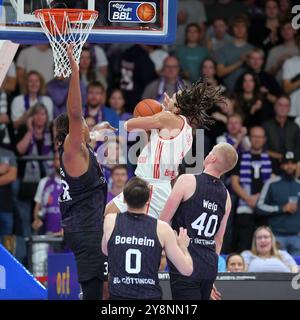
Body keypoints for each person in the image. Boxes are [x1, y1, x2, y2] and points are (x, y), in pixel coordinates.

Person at [106, 80, 223, 219]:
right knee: (111, 214)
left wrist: (156, 112)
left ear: (178, 108)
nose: (167, 99)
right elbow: (153, 144)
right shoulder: (188, 131)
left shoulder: (168, 118)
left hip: (151, 186)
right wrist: (160, 114)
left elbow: (129, 125)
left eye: (173, 98)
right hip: (156, 184)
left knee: (145, 231)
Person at [54, 45, 114, 300]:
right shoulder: (73, 148)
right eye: (83, 126)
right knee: (97, 293)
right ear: (73, 132)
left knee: (109, 289)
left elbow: (93, 132)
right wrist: (76, 70)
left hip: (88, 228)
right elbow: (76, 113)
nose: (87, 124)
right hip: (87, 231)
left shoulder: (82, 149)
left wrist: (100, 129)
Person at [160, 142, 238, 300]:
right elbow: (219, 238)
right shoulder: (226, 196)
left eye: (209, 151)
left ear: (212, 158)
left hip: (185, 258)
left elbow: (163, 221)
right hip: (209, 264)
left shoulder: (187, 180)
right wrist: (211, 275)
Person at [102, 177, 193, 300]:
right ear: (149, 199)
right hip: (149, 296)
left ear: (123, 199)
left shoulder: (111, 220)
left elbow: (105, 251)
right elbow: (187, 270)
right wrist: (183, 247)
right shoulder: (162, 229)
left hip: (119, 295)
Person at [231, 126, 272, 252]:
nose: (257, 140)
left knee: (263, 240)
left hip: (264, 205)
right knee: (244, 242)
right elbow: (234, 182)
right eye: (254, 136)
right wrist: (248, 198)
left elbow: (272, 183)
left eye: (260, 137)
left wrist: (258, 197)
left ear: (264, 139)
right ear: (249, 138)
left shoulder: (270, 159)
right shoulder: (241, 157)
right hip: (244, 205)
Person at [256, 152, 300, 256]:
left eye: (292, 163)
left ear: (296, 165)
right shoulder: (271, 183)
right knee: (278, 270)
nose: (289, 166)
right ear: (281, 165)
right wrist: (281, 208)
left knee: (298, 270)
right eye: (286, 163)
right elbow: (259, 207)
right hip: (276, 235)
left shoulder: (299, 185)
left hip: (297, 237)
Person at [262, 95, 300, 174]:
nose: (283, 108)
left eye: (286, 106)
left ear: (289, 109)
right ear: (275, 107)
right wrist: (281, 157)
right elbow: (263, 148)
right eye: (280, 105)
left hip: (291, 164)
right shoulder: (266, 126)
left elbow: (298, 148)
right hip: (271, 164)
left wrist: (288, 160)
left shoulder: (294, 127)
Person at [215, 15, 253, 92]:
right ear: (232, 29)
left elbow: (257, 71)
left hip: (247, 92)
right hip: (228, 91)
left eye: (242, 26)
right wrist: (240, 62)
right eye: (236, 26)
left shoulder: (252, 49)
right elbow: (220, 72)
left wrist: (249, 62)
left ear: (246, 29)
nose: (239, 29)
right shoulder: (223, 49)